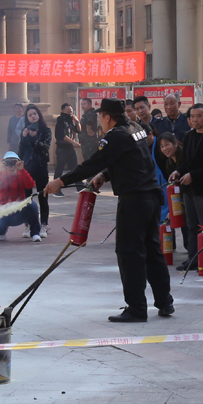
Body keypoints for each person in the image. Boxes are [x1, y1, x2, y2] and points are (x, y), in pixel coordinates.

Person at [45, 98, 173, 323]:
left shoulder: (115, 136)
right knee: (152, 251)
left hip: (133, 201)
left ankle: (136, 308)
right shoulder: (136, 128)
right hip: (150, 197)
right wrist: (105, 175)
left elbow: (92, 163)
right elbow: (130, 160)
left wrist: (61, 181)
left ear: (107, 117)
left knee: (129, 254)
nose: (100, 123)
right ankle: (165, 301)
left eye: (100, 118)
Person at [169, 103, 203, 272]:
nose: (195, 119)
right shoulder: (188, 136)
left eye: (199, 116)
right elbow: (186, 162)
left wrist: (194, 175)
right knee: (191, 225)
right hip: (188, 188)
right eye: (192, 116)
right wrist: (178, 171)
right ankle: (194, 258)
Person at [0, 152, 42, 242]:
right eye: (8, 163)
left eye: (13, 163)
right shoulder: (1, 175)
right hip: (4, 210)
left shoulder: (21, 174)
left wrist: (22, 170)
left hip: (19, 211)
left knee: (32, 205)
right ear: (4, 164)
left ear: (18, 163)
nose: (11, 166)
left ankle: (35, 233)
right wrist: (0, 171)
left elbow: (30, 185)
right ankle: (1, 232)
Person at [18, 104, 52, 235]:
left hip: (41, 167)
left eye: (35, 114)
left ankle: (44, 225)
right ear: (27, 118)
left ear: (39, 115)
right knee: (27, 198)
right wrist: (24, 137)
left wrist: (34, 137)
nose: (33, 116)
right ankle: (28, 225)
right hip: (27, 168)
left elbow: (45, 148)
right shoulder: (24, 131)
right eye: (30, 115)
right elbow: (21, 150)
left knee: (43, 196)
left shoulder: (46, 131)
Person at [53, 103, 82, 197]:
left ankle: (80, 187)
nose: (70, 112)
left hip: (69, 148)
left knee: (75, 167)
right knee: (60, 169)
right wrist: (73, 142)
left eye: (71, 110)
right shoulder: (61, 120)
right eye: (68, 110)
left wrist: (77, 121)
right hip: (62, 148)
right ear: (63, 111)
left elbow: (78, 130)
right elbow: (61, 135)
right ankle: (56, 189)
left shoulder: (71, 120)